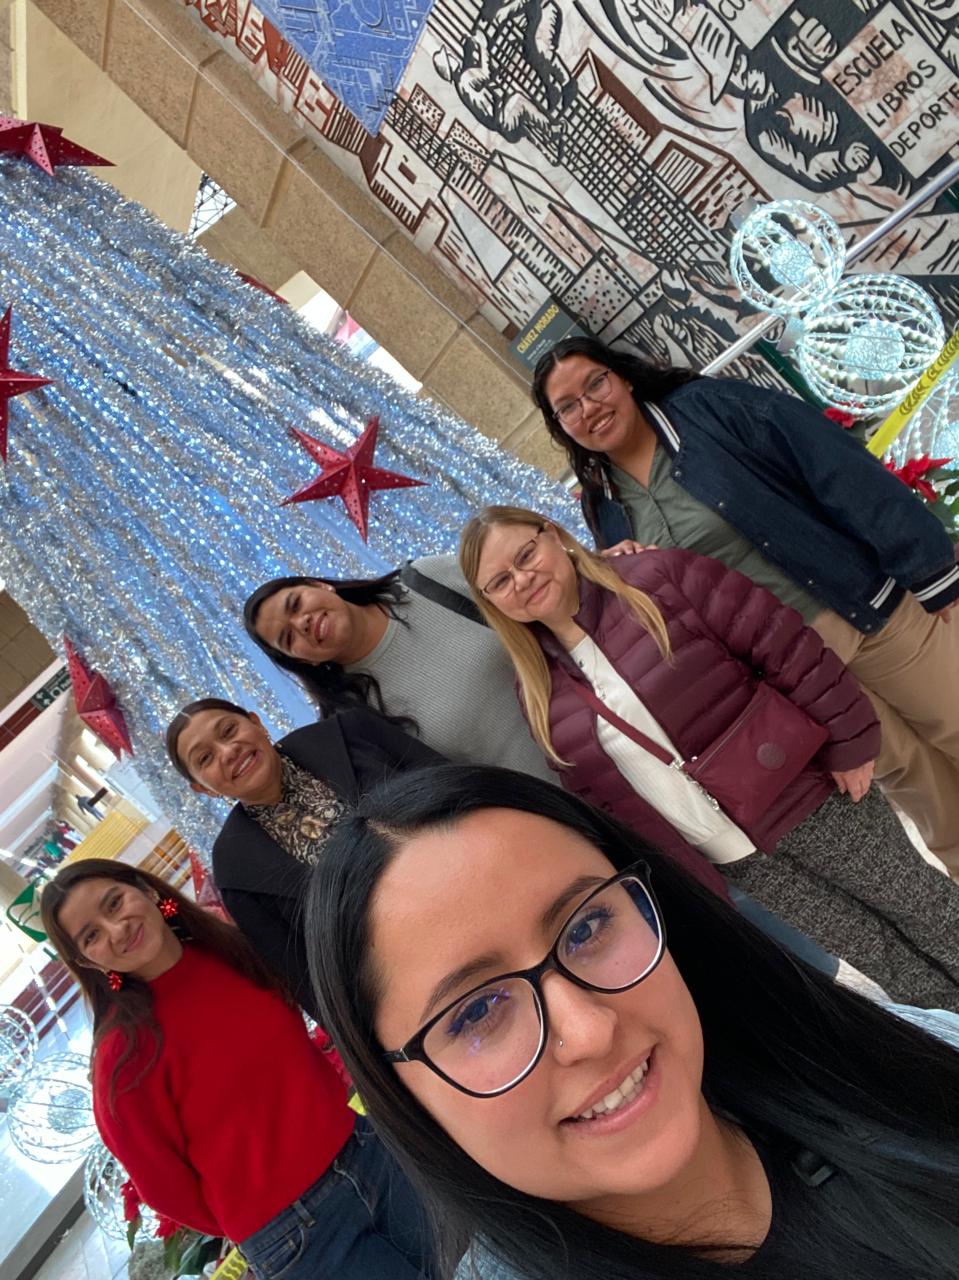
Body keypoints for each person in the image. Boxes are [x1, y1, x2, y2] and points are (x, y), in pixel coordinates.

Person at [305, 765, 959, 1280]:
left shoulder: (869, 1057)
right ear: (400, 1093)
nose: (588, 1031)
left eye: (587, 926)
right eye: (476, 1011)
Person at [458, 505, 959, 1010]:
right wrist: (686, 878)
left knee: (923, 906)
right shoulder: (538, 687)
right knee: (878, 956)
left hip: (805, 796)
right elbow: (600, 796)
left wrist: (848, 738)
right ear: (491, 602)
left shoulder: (656, 579)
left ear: (555, 536)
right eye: (500, 581)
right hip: (737, 857)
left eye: (526, 554)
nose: (522, 579)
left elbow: (782, 643)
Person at [532, 335, 959, 873]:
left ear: (625, 378)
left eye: (595, 383)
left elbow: (830, 465)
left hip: (864, 611)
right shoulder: (605, 504)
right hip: (805, 673)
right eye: (567, 406)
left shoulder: (708, 412)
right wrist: (622, 571)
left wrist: (930, 569)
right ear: (559, 426)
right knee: (923, 794)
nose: (589, 407)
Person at [40, 860, 435, 1280]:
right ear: (90, 963)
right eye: (92, 936)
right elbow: (163, 1189)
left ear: (148, 891)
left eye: (114, 903)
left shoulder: (227, 949)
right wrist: (259, 1211)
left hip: (367, 1151)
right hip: (296, 1233)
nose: (116, 929)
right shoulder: (123, 1057)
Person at [166, 698, 444, 1016]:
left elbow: (459, 787)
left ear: (256, 723)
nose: (228, 752)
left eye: (229, 730)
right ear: (204, 789)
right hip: (414, 989)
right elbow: (312, 984)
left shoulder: (350, 731)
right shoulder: (234, 872)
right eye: (205, 758)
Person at [242, 561, 554, 781]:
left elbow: (546, 613)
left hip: (602, 726)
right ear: (302, 662)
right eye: (288, 637)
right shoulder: (353, 721)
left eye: (295, 604)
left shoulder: (427, 581)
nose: (302, 623)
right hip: (569, 823)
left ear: (321, 585)